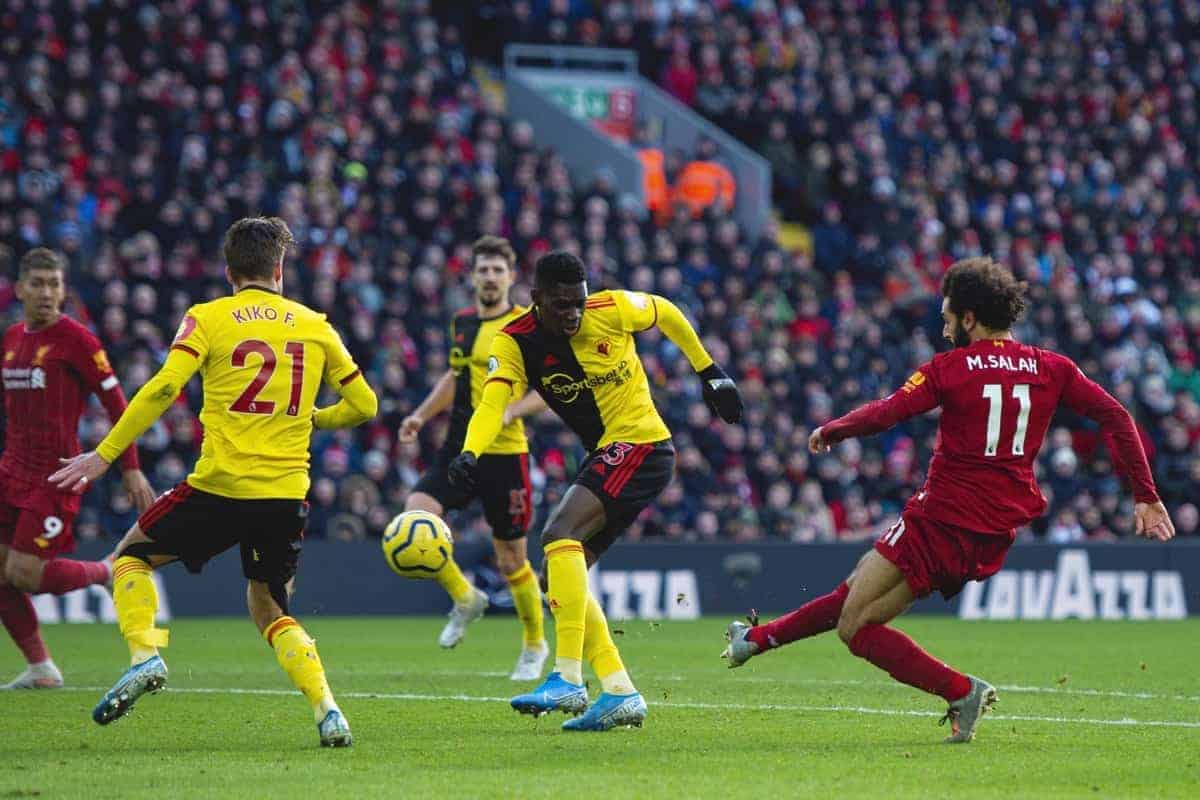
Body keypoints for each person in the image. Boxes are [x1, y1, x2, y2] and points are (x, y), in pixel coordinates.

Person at [721, 256, 1174, 743]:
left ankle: (961, 690)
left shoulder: (951, 368)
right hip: (993, 528)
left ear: (970, 318)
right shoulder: (1053, 367)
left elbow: (888, 412)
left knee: (855, 626)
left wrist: (833, 430)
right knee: (856, 594)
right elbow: (1118, 417)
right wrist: (1145, 496)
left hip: (943, 515)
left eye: (947, 317)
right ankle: (756, 640)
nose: (944, 327)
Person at [50, 218, 378, 747]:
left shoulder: (208, 318)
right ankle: (328, 710)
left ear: (229, 272)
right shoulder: (314, 324)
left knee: (130, 559)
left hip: (219, 487)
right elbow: (366, 406)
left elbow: (162, 390)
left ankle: (145, 655)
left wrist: (105, 454)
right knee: (270, 608)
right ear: (279, 269)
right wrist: (317, 419)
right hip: (285, 495)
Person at [448, 251, 743, 731]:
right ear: (536, 299)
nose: (573, 314)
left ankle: (566, 677)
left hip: (642, 442)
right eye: (561, 305)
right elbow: (493, 402)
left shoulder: (610, 309)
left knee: (559, 531)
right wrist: (470, 453)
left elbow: (665, 311)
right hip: (611, 450)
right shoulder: (515, 341)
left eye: (578, 303)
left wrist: (709, 371)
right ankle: (619, 690)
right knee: (561, 574)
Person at [0, 248, 155, 690]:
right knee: (0, 575)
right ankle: (40, 668)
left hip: (57, 476)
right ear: (20, 289)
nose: (47, 293)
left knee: (24, 574)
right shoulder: (11, 339)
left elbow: (117, 405)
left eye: (55, 284)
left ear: (64, 289)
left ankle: (105, 571)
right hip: (10, 471)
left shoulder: (78, 341)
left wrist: (130, 468)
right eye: (38, 284)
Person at [397, 236, 550, 679]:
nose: (489, 276)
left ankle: (534, 644)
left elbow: (547, 387)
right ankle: (465, 597)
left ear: (511, 276)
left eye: (497, 270)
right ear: (472, 276)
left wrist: (510, 412)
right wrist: (421, 416)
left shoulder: (526, 325)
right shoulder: (462, 323)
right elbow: (454, 375)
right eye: (482, 269)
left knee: (511, 559)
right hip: (459, 447)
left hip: (505, 453)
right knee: (415, 515)